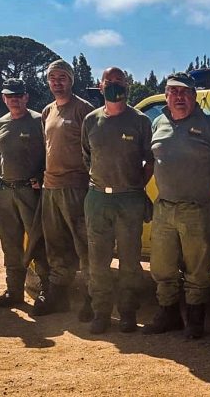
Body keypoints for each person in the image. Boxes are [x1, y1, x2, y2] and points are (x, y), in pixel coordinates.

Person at [144, 72, 210, 339]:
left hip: (198, 208)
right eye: (174, 91)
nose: (179, 97)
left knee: (198, 267)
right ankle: (168, 314)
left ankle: (195, 319)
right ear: (166, 95)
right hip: (164, 208)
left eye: (185, 92)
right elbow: (149, 160)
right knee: (161, 266)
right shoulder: (157, 123)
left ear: (194, 96)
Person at [81, 67, 154, 334]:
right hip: (98, 198)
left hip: (129, 200)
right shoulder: (90, 120)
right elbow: (87, 156)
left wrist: (135, 187)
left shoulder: (140, 121)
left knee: (129, 260)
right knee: (97, 259)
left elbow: (150, 160)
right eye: (108, 81)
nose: (114, 85)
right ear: (100, 87)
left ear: (127, 85)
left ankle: (127, 313)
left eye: (119, 81)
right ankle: (101, 312)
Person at [34, 59, 94, 320]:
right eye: (52, 77)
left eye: (62, 77)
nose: (57, 82)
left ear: (71, 80)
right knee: (55, 245)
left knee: (84, 245)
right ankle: (59, 296)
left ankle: (94, 297)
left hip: (76, 187)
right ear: (48, 82)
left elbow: (95, 150)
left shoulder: (84, 110)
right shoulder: (47, 112)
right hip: (50, 187)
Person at [0, 78, 49, 308]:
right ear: (4, 99)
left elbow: (50, 153)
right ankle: (14, 291)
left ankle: (46, 291)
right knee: (10, 242)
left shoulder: (38, 121)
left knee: (36, 241)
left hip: (29, 192)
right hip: (5, 193)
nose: (13, 99)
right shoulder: (0, 124)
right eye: (9, 95)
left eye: (18, 95)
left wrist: (41, 177)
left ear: (26, 97)